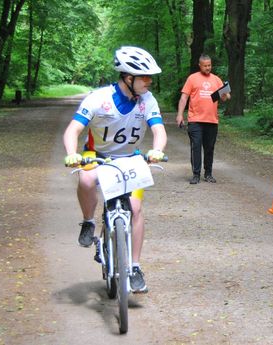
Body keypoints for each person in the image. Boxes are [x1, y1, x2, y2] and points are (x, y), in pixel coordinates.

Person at [63, 46, 167, 292]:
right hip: (97, 155)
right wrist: (71, 154)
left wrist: (157, 149)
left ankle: (134, 267)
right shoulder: (99, 99)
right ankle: (88, 221)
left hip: (130, 158)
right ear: (127, 78)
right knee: (86, 180)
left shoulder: (147, 100)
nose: (149, 82)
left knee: (136, 208)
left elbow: (158, 130)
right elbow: (73, 130)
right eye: (145, 77)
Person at [176, 54, 231, 184]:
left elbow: (224, 98)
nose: (208, 68)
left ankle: (208, 174)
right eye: (205, 66)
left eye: (209, 65)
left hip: (212, 120)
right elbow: (184, 97)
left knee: (209, 148)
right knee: (196, 147)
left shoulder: (216, 79)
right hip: (195, 120)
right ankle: (196, 174)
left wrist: (226, 94)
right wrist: (179, 114)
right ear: (200, 65)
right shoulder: (192, 78)